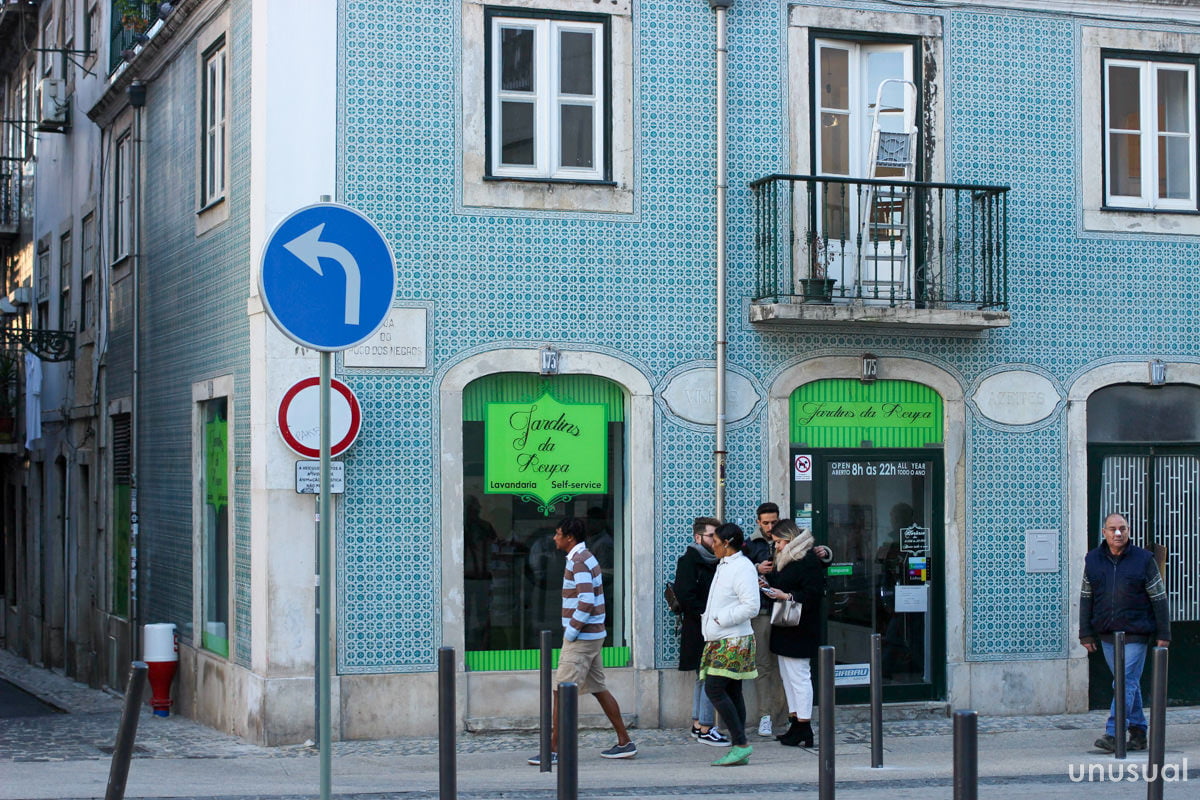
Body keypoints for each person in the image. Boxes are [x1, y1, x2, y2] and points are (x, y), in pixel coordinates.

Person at [528, 517, 636, 766]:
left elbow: (586, 600)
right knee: (598, 688)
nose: (554, 538)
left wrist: (571, 632)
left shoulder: (578, 561)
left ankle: (554, 750)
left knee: (561, 691)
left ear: (569, 538)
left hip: (582, 638)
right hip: (593, 635)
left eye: (558, 533)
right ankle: (625, 742)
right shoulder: (586, 557)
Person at [1079, 512, 1171, 753]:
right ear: (1104, 532)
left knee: (1123, 681)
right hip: (1107, 634)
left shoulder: (1144, 559)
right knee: (1128, 683)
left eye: (1123, 528)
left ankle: (1114, 733)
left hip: (1137, 632)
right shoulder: (1093, 560)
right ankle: (1138, 732)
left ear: (1129, 531)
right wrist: (1085, 633)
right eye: (1113, 529)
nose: (1118, 533)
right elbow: (1086, 597)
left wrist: (1164, 633)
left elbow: (1159, 598)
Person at [760, 519, 826, 747]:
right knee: (788, 677)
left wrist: (787, 596)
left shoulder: (807, 559)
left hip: (801, 627)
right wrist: (766, 582)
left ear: (789, 539)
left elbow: (813, 594)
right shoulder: (785, 558)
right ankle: (796, 723)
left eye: (779, 542)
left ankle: (805, 726)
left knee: (799, 677)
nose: (777, 546)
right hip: (785, 625)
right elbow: (782, 583)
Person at [700, 523, 760, 766]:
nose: (712, 545)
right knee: (732, 691)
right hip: (721, 637)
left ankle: (741, 744)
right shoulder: (725, 564)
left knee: (714, 689)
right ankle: (739, 745)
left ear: (726, 543)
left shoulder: (742, 567)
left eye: (715, 541)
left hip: (733, 639)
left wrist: (720, 619)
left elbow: (751, 606)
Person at [674, 516, 729, 746]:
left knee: (703, 676)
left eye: (717, 536)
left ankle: (698, 724)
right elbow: (685, 595)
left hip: (711, 626)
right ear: (698, 537)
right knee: (709, 676)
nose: (715, 540)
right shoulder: (689, 561)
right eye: (711, 536)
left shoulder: (718, 560)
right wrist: (707, 616)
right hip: (700, 628)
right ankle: (706, 727)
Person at [746, 502, 787, 737]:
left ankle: (786, 715)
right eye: (766, 523)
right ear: (758, 523)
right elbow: (737, 571)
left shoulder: (790, 540)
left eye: (774, 522)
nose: (770, 527)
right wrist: (756, 569)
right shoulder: (751, 544)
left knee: (786, 665)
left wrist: (825, 554)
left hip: (785, 609)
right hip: (762, 611)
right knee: (762, 665)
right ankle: (765, 716)